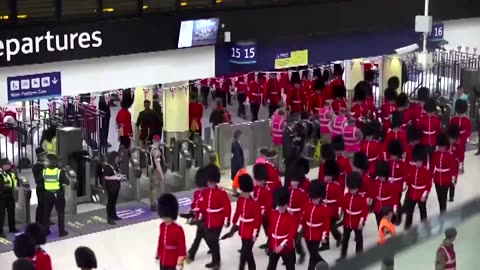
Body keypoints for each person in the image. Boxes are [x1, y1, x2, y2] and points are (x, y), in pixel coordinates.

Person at [198, 164, 231, 269]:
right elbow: (203, 205)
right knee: (209, 239)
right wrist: (200, 214)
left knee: (213, 240)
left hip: (218, 220)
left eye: (211, 182)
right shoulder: (206, 192)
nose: (209, 184)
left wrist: (227, 219)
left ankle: (217, 261)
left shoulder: (221, 193)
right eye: (208, 182)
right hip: (208, 219)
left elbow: (227, 207)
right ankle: (214, 260)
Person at [230, 174, 262, 270]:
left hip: (251, 231)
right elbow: (238, 212)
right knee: (246, 253)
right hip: (243, 230)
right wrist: (234, 222)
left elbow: (258, 220)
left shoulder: (254, 203)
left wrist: (255, 233)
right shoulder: (241, 200)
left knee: (246, 253)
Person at [340, 172, 369, 260]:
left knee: (359, 240)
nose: (353, 190)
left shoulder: (361, 198)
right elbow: (344, 206)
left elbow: (365, 211)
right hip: (347, 220)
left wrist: (361, 222)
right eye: (351, 188)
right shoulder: (346, 195)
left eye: (355, 189)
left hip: (357, 221)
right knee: (345, 239)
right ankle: (343, 255)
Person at [266, 187, 297, 270]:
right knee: (271, 267)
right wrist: (269, 244)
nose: (281, 208)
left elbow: (292, 234)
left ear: (286, 204)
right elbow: (270, 230)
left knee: (290, 267)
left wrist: (282, 245)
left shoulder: (291, 217)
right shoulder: (273, 214)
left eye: (282, 206)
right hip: (274, 245)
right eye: (279, 206)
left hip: (287, 247)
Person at [301, 180, 329, 270]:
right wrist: (299, 227)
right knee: (313, 253)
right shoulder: (307, 205)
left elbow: (326, 224)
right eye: (313, 198)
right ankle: (324, 265)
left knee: (313, 255)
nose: (314, 200)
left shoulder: (324, 208)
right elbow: (303, 217)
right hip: (307, 233)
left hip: (317, 234)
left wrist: (325, 236)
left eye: (316, 198)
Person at [40, 154, 69, 237]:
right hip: (58, 194)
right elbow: (67, 182)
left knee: (47, 213)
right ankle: (61, 231)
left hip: (47, 194)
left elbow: (43, 181)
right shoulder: (59, 171)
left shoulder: (44, 171)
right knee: (60, 213)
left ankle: (46, 231)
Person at [184, 168, 209, 262]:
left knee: (198, 236)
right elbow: (194, 204)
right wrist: (192, 212)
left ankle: (191, 254)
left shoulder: (208, 193)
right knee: (203, 235)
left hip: (206, 218)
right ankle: (213, 246)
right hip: (199, 218)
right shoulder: (197, 193)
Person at [156, 193, 186, 270]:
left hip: (173, 260)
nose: (164, 217)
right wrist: (158, 252)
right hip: (163, 257)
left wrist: (180, 258)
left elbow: (181, 246)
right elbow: (161, 240)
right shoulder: (162, 226)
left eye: (166, 215)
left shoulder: (178, 229)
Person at [404, 145, 432, 229]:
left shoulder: (426, 171)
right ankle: (407, 227)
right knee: (409, 211)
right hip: (412, 193)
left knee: (423, 211)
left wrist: (424, 195)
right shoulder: (412, 168)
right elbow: (409, 179)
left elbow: (428, 185)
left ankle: (425, 226)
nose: (418, 163)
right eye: (417, 161)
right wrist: (405, 184)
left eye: (419, 161)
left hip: (421, 194)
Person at [285, 170, 307, 264]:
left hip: (297, 218)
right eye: (292, 181)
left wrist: (301, 222)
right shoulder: (288, 190)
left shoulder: (302, 193)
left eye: (296, 181)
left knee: (296, 239)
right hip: (288, 216)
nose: (293, 183)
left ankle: (301, 253)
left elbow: (303, 209)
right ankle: (290, 257)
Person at [320, 160, 343, 251]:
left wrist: (339, 211)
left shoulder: (337, 186)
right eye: (326, 175)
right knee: (324, 227)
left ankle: (338, 237)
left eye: (329, 176)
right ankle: (325, 243)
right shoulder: (323, 184)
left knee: (332, 228)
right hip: (324, 208)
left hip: (333, 209)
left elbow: (340, 200)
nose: (327, 177)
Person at [253, 163, 275, 251]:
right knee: (260, 229)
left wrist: (263, 212)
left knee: (269, 230)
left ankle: (271, 244)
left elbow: (268, 204)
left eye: (260, 180)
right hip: (259, 214)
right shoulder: (256, 188)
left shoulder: (268, 190)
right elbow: (255, 199)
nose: (258, 182)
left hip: (267, 215)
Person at [369, 161, 399, 226]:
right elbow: (373, 193)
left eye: (382, 177)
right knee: (379, 225)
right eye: (379, 176)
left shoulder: (391, 184)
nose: (380, 178)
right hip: (377, 208)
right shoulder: (376, 182)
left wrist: (394, 209)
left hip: (387, 208)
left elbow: (394, 198)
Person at [432, 133, 456, 213]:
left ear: (445, 146)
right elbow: (432, 166)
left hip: (446, 179)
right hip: (437, 178)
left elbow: (453, 168)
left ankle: (443, 213)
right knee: (440, 198)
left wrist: (453, 178)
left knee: (443, 198)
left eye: (442, 146)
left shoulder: (450, 155)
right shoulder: (436, 154)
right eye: (439, 146)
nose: (441, 148)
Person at [385, 140, 407, 224]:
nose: (392, 157)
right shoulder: (388, 162)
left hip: (398, 185)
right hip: (389, 184)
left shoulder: (402, 164)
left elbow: (405, 175)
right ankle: (393, 217)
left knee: (397, 201)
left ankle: (399, 216)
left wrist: (404, 184)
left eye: (393, 155)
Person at [102, 151, 125, 224]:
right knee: (110, 202)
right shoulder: (107, 166)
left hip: (116, 186)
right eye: (117, 157)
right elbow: (106, 177)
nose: (118, 159)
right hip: (110, 187)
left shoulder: (116, 165)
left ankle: (114, 215)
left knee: (114, 202)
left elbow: (116, 173)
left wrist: (120, 176)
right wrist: (115, 177)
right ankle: (109, 218)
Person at [449, 99, 471, 172]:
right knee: (453, 152)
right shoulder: (453, 119)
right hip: (454, 138)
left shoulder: (467, 120)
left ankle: (461, 163)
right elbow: (450, 129)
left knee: (461, 153)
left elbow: (468, 130)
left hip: (462, 139)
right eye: (459, 113)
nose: (460, 115)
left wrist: (467, 137)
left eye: (461, 113)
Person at [0, 158, 19, 237]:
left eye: (9, 164)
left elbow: (16, 180)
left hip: (11, 195)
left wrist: (15, 171)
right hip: (2, 196)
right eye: (6, 164)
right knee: (1, 214)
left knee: (12, 212)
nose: (8, 165)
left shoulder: (11, 172)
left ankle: (12, 228)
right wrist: (11, 188)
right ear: (2, 165)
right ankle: (0, 231)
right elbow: (1, 186)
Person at [33, 147, 50, 225]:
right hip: (41, 189)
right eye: (43, 155)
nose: (45, 156)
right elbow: (38, 179)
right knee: (41, 206)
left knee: (48, 206)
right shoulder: (37, 166)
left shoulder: (47, 164)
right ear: (39, 157)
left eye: (45, 154)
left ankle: (46, 220)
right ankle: (39, 222)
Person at [149, 135, 166, 211]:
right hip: (156, 171)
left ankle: (152, 202)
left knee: (152, 187)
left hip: (150, 170)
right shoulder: (157, 151)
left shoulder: (149, 148)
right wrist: (162, 174)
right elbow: (158, 164)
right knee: (156, 187)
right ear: (159, 141)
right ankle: (154, 203)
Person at [447, 125, 461, 202]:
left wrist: (461, 165)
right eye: (450, 138)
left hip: (454, 165)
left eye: (453, 139)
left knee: (453, 181)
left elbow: (461, 156)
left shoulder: (458, 146)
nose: (451, 140)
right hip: (447, 164)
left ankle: (451, 195)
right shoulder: (446, 144)